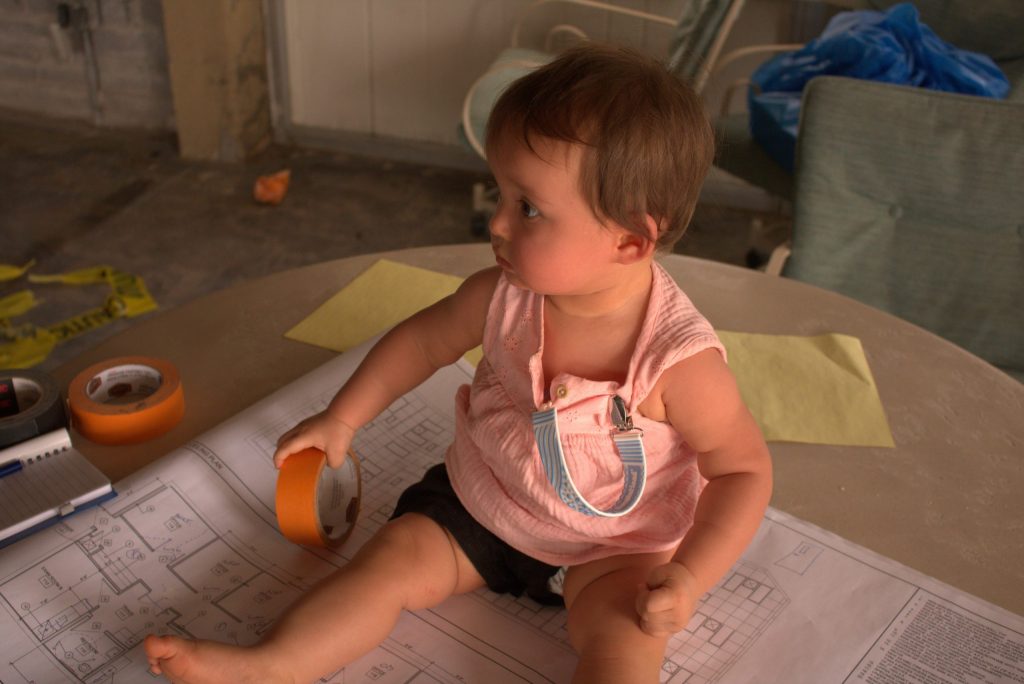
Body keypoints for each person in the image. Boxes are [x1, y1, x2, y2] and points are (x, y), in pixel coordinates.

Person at [144, 43, 772, 684]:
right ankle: (271, 666)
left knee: (626, 640)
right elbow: (421, 343)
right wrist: (342, 418)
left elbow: (743, 471)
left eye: (528, 208)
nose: (496, 223)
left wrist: (690, 575)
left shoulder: (676, 363)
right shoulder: (501, 298)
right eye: (501, 194)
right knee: (383, 569)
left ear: (629, 240)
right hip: (479, 505)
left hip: (613, 551)